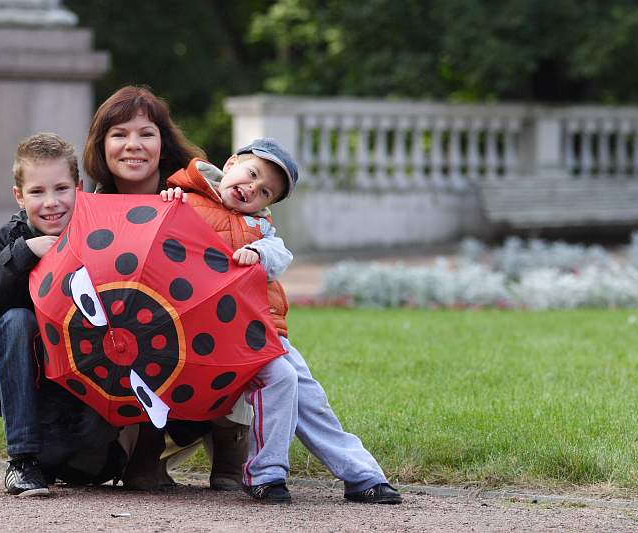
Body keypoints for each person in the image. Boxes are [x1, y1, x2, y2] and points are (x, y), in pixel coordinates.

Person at [161, 138, 402, 505]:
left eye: (264, 192)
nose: (252, 188)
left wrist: (257, 251)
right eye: (252, 174)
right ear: (230, 165)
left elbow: (279, 254)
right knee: (281, 378)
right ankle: (265, 473)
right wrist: (168, 201)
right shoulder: (184, 200)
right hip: (214, 331)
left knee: (310, 396)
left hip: (262, 330)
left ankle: (361, 475)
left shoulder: (260, 228)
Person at [81, 85, 264, 491]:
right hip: (125, 357)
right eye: (119, 134)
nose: (133, 145)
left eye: (146, 133)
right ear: (101, 145)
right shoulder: (86, 212)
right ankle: (144, 455)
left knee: (229, 327)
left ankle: (230, 456)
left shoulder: (206, 197)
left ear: (163, 144)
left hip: (198, 345)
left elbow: (249, 253)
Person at [0, 132, 80, 496]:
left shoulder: (93, 236)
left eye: (61, 189)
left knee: (92, 468)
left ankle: (54, 453)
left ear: (79, 187)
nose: (51, 203)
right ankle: (21, 461)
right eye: (37, 192)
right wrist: (23, 253)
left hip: (59, 374)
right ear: (19, 196)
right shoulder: (8, 238)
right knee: (17, 318)